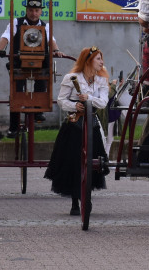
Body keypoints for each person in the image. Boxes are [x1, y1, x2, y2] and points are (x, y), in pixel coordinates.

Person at [45, 46, 109, 217]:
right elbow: (61, 101)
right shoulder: (71, 78)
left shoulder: (101, 81)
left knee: (93, 160)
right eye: (98, 59)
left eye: (101, 58)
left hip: (92, 125)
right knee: (73, 161)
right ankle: (75, 200)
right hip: (74, 125)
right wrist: (75, 105)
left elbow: (103, 103)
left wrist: (89, 99)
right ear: (88, 61)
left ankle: (86, 196)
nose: (102, 62)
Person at [0, 0, 64, 135]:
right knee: (17, 92)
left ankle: (38, 111)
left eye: (37, 11)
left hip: (39, 62)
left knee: (43, 79)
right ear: (26, 10)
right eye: (31, 10)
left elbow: (51, 40)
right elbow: (6, 36)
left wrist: (56, 50)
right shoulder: (16, 22)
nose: (34, 14)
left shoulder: (46, 25)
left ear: (41, 11)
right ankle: (14, 127)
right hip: (19, 62)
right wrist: (0, 50)